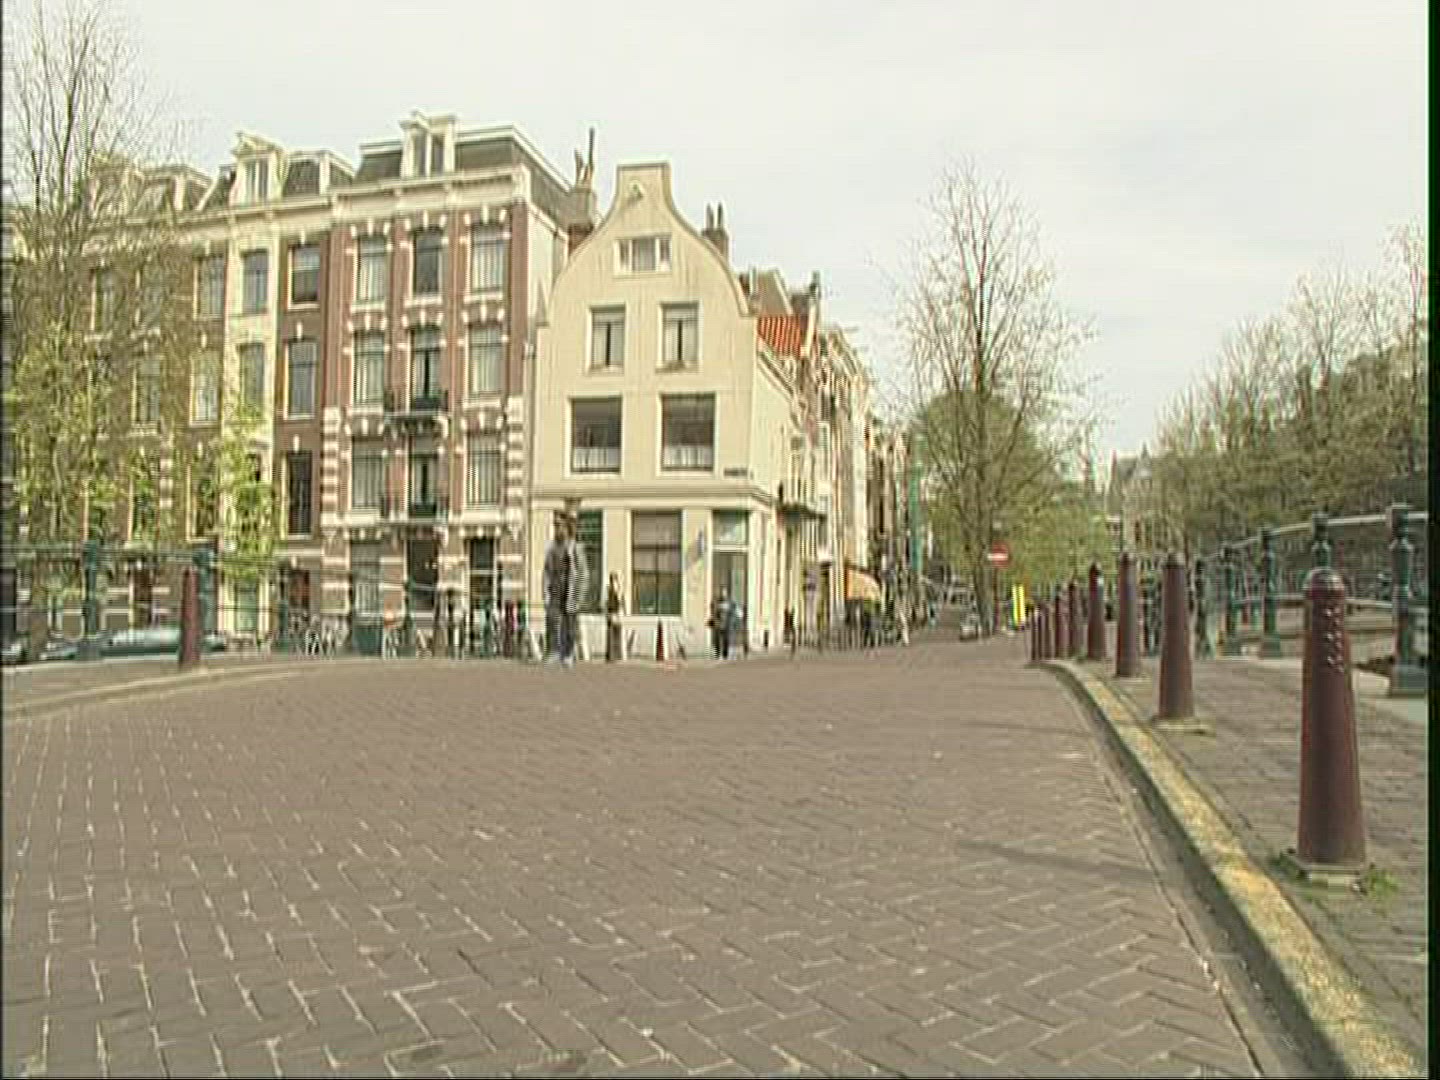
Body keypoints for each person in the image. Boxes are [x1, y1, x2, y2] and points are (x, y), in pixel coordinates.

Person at [542, 512, 588, 667]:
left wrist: (579, 595)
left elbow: (582, 573)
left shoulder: (575, 548)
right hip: (555, 587)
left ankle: (568, 653)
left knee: (570, 623)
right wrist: (545, 591)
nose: (557, 529)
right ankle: (553, 651)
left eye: (559, 526)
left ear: (567, 528)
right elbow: (546, 571)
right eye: (555, 526)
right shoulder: (551, 548)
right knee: (551, 619)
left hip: (570, 589)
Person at [604, 573, 623, 663]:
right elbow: (607, 602)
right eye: (613, 580)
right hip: (611, 613)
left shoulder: (618, 590)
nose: (615, 582)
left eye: (615, 579)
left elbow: (620, 601)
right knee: (611, 635)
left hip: (617, 614)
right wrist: (608, 613)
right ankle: (611, 656)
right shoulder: (608, 590)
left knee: (617, 634)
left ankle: (617, 654)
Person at [710, 588, 732, 659]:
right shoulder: (716, 602)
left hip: (726, 623)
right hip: (718, 623)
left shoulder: (729, 602)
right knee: (717, 639)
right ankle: (717, 654)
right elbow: (713, 611)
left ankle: (725, 654)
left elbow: (731, 612)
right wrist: (714, 619)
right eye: (722, 592)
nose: (723, 594)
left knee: (726, 639)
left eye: (724, 592)